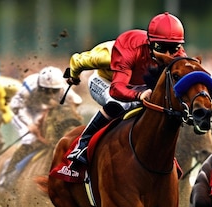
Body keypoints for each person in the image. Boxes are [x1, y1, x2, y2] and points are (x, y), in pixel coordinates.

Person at [66, 11, 187, 166]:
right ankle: (82, 144)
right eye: (161, 48)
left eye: (174, 48)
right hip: (106, 82)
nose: (169, 55)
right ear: (150, 43)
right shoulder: (119, 51)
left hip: (140, 86)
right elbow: (113, 88)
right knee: (119, 104)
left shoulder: (179, 55)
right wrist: (74, 76)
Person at [5, 66, 82, 175]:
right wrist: (30, 124)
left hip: (41, 109)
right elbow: (15, 107)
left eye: (54, 91)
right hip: (24, 110)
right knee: (30, 139)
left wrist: (60, 106)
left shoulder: (63, 88)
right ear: (39, 87)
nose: (50, 94)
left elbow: (78, 101)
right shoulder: (28, 88)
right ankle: (8, 173)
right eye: (46, 90)